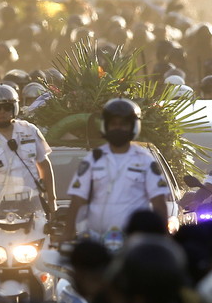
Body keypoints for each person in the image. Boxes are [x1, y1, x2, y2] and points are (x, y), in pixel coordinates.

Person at [63, 98, 170, 243]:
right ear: (105, 126)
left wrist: (163, 237)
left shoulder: (145, 160)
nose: (118, 128)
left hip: (134, 241)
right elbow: (77, 199)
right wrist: (67, 234)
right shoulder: (93, 159)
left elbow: (158, 201)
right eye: (113, 124)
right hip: (96, 242)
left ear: (134, 126)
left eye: (124, 124)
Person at [0, 85, 54, 233]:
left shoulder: (30, 131)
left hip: (32, 204)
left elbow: (44, 166)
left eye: (7, 108)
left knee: (43, 248)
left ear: (15, 108)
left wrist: (52, 203)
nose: (2, 112)